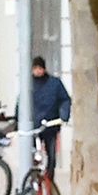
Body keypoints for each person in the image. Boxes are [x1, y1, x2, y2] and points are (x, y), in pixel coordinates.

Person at [27, 54, 71, 186]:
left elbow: (65, 99)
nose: (38, 71)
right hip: (34, 127)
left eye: (40, 68)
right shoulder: (29, 85)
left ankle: (49, 180)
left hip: (50, 126)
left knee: (51, 156)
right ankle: (34, 180)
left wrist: (64, 115)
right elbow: (21, 103)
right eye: (35, 68)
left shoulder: (54, 84)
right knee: (32, 155)